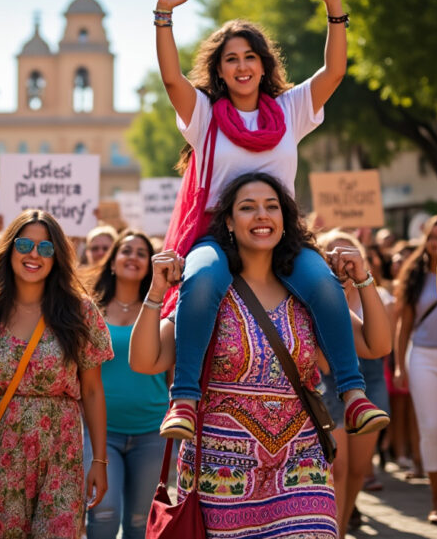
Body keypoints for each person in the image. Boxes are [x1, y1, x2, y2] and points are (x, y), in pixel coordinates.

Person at [153, 0, 387, 440]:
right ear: (219, 71)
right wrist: (164, 16)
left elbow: (335, 72)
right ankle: (183, 400)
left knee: (322, 282)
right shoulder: (201, 115)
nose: (241, 66)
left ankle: (353, 394)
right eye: (231, 59)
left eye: (250, 57)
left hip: (281, 235)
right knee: (200, 282)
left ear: (264, 65)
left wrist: (334, 7)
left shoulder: (291, 110)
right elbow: (170, 77)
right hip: (219, 236)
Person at [130, 172, 393, 538]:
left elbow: (376, 345)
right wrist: (156, 294)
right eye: (247, 207)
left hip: (302, 465)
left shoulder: (308, 294)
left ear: (285, 221)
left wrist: (363, 279)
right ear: (228, 222)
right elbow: (146, 361)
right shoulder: (207, 293)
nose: (261, 215)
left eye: (272, 207)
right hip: (222, 473)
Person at [0, 209, 113, 538]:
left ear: (57, 257)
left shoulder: (80, 312)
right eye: (24, 244)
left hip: (63, 456)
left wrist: (99, 460)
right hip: (1, 456)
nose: (34, 255)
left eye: (46, 247)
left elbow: (94, 391)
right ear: (9, 249)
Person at [85, 229, 166, 539]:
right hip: (101, 434)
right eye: (126, 251)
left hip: (151, 434)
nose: (133, 257)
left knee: (139, 522)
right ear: (113, 262)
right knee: (104, 514)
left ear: (150, 265)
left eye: (141, 253)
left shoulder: (163, 310)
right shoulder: (90, 311)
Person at [316, 229, 395, 537]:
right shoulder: (316, 297)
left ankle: (343, 525)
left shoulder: (373, 295)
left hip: (371, 383)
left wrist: (360, 283)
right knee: (339, 468)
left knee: (359, 470)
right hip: (327, 387)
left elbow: (382, 346)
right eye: (334, 257)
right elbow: (323, 363)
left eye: (349, 257)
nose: (342, 264)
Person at [392, 215, 437, 525]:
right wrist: (400, 364)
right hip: (424, 359)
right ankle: (436, 498)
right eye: (432, 236)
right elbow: (403, 324)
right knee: (431, 427)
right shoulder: (414, 274)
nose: (436, 242)